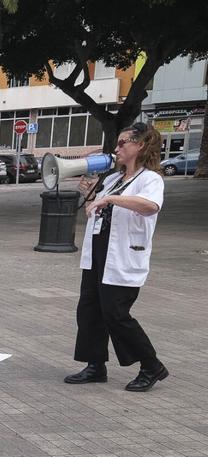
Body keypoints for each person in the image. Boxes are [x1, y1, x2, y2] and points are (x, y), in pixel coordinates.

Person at [65, 122, 168, 392]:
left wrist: (109, 199)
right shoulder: (112, 180)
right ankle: (95, 365)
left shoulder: (150, 179)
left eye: (123, 143)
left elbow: (150, 206)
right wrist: (89, 194)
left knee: (116, 314)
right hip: (98, 254)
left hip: (124, 257)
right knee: (89, 310)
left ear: (140, 145)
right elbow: (94, 209)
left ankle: (151, 365)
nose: (117, 148)